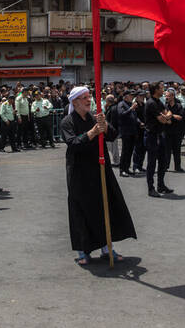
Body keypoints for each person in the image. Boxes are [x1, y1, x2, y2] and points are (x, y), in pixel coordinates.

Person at [60, 86, 136, 265]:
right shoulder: (67, 122)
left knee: (104, 207)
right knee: (81, 211)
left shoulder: (96, 117)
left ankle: (106, 248)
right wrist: (93, 132)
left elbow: (114, 135)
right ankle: (82, 251)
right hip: (79, 173)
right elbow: (73, 143)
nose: (88, 100)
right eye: (84, 97)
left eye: (89, 97)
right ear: (75, 101)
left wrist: (105, 126)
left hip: (100, 169)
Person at [144, 82, 174, 196]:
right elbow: (163, 119)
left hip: (160, 135)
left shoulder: (159, 102)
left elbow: (169, 113)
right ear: (156, 90)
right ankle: (150, 188)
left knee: (163, 162)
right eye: (161, 88)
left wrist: (166, 117)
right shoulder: (151, 103)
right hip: (152, 136)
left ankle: (161, 185)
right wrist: (166, 118)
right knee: (152, 163)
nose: (163, 90)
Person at [117, 91, 141, 177]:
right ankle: (122, 169)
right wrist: (131, 108)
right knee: (125, 151)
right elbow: (121, 114)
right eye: (131, 95)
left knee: (130, 151)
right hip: (126, 131)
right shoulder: (121, 104)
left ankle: (127, 168)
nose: (132, 97)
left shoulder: (131, 104)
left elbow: (134, 116)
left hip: (133, 131)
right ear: (126, 96)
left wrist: (139, 122)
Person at [164, 89, 185, 172]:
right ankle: (166, 166)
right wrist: (169, 117)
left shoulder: (178, 106)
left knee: (177, 150)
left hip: (177, 131)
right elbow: (165, 118)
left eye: (168, 96)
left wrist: (171, 115)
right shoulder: (165, 106)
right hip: (167, 131)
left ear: (173, 96)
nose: (166, 97)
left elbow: (180, 117)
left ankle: (178, 167)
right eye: (166, 96)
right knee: (167, 150)